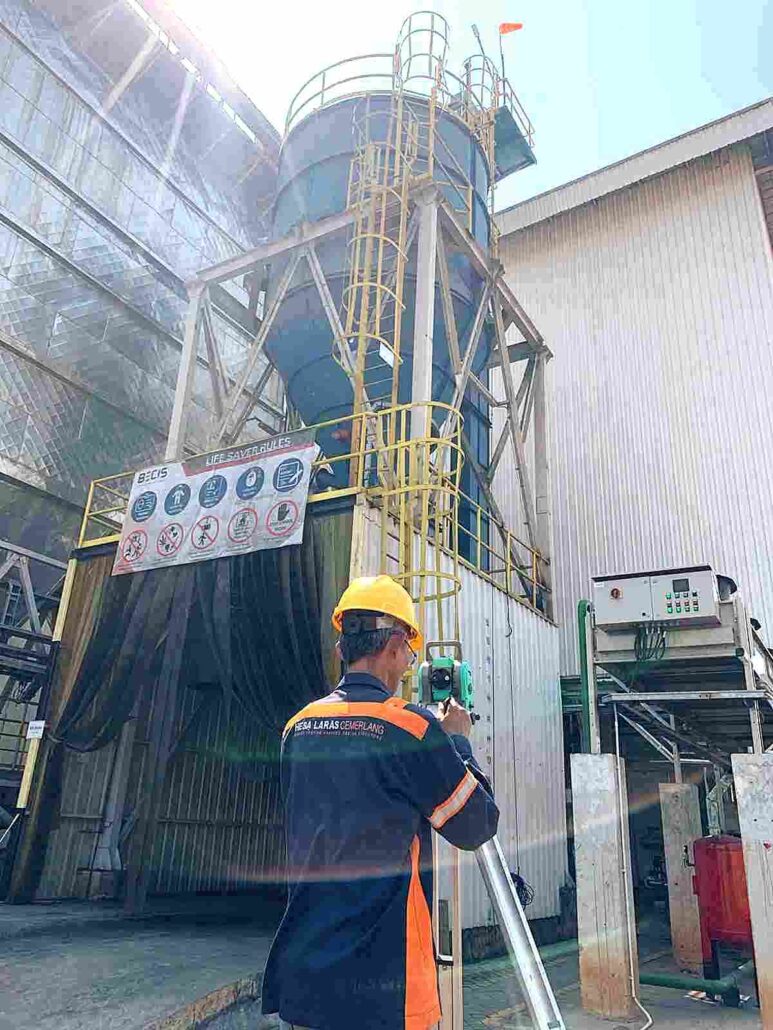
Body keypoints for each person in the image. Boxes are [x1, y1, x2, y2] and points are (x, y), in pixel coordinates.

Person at [262, 575, 499, 1030]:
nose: (409, 664)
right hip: (383, 988)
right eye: (409, 652)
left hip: (306, 980)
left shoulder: (298, 727)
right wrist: (457, 743)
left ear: (341, 648)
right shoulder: (410, 729)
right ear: (393, 645)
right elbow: (476, 825)